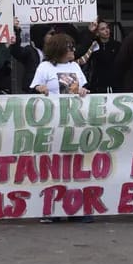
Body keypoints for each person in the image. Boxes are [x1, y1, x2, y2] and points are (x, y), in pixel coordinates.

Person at [32, 32, 90, 223]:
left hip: (74, 122)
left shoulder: (75, 66)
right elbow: (35, 88)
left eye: (73, 46)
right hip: (52, 123)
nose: (73, 50)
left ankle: (76, 208)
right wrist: (41, 89)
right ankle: (51, 209)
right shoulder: (44, 67)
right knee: (54, 166)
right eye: (69, 47)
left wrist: (82, 91)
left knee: (75, 166)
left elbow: (83, 88)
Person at [76, 18, 121, 94]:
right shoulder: (92, 45)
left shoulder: (117, 46)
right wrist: (89, 32)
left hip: (113, 86)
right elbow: (80, 53)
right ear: (97, 33)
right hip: (95, 86)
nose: (106, 31)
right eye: (102, 29)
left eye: (107, 28)